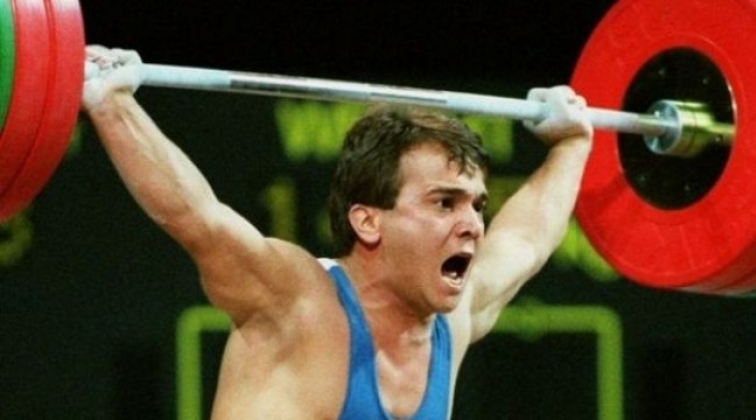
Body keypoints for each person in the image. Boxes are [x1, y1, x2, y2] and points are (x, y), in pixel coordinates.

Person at [82, 46, 593, 419]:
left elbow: (525, 240)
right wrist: (111, 104)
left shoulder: (451, 323)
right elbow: (197, 218)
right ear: (367, 220)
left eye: (477, 206)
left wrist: (573, 145)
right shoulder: (297, 304)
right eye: (444, 203)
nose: (473, 225)